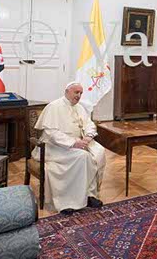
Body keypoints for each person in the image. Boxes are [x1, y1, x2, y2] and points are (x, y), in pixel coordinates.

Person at [33, 82, 106, 214]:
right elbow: (51, 133)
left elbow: (89, 125)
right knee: (83, 157)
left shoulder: (80, 108)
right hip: (54, 147)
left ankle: (89, 194)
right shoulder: (54, 106)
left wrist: (88, 137)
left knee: (98, 152)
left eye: (81, 93)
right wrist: (72, 143)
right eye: (76, 92)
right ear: (67, 92)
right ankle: (67, 201)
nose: (79, 95)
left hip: (78, 144)